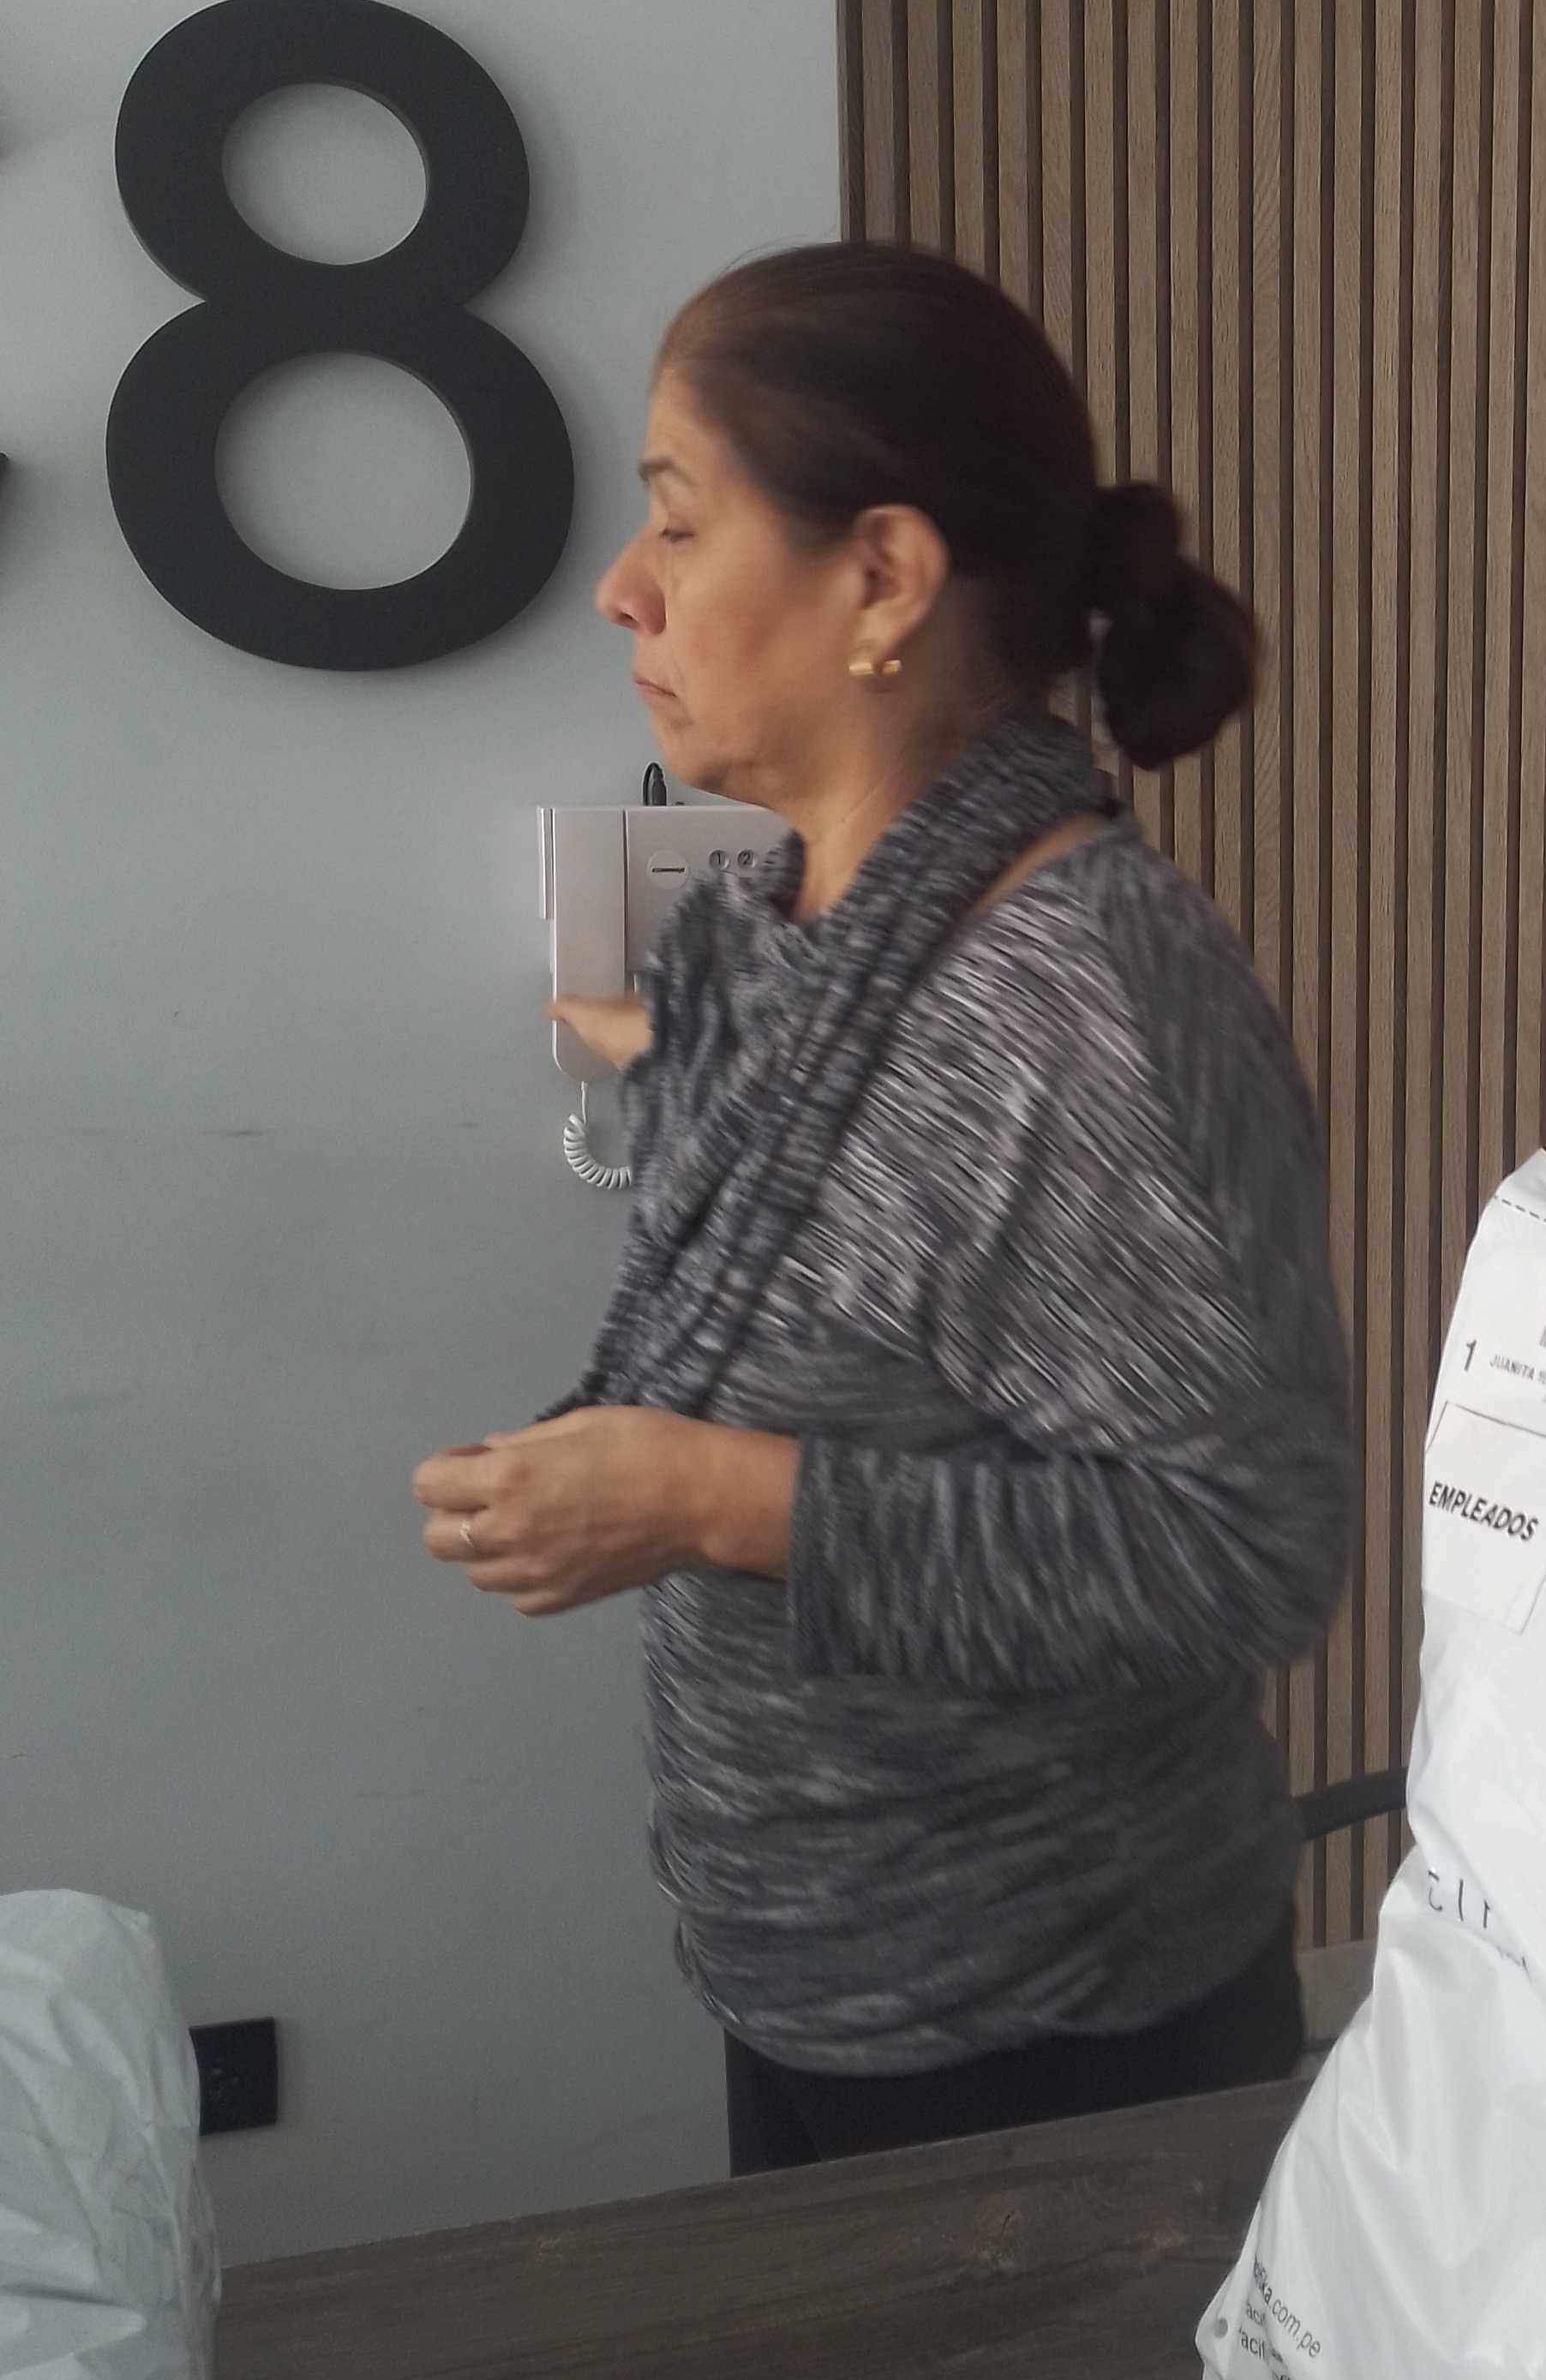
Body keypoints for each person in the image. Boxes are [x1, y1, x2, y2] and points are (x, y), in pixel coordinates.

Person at [411, 243, 1355, 2173]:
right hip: (815, 1964)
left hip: (1048, 2037)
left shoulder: (1075, 999)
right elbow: (873, 1231)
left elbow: (1250, 1551)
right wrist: (669, 1058)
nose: (622, 587)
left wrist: (707, 1497)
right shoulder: (793, 918)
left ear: (884, 580)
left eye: (681, 519)